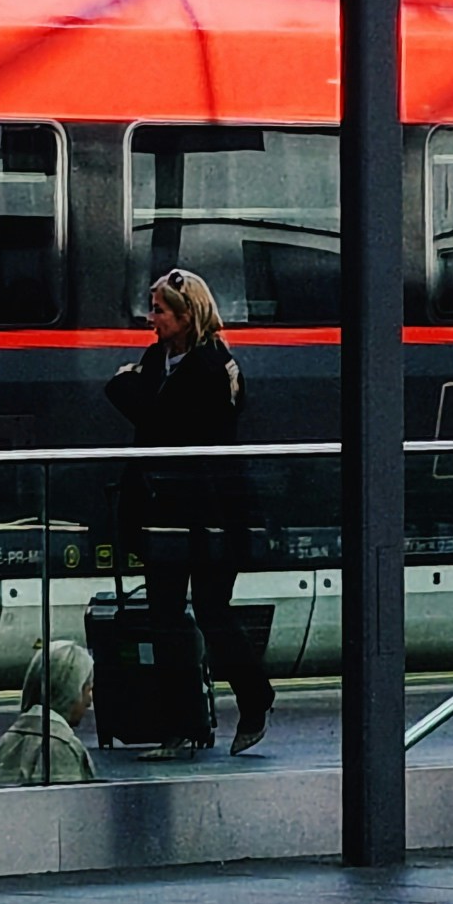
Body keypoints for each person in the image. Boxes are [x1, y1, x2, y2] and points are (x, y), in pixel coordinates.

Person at [103, 264, 271, 753]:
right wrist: (142, 397)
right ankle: (183, 725)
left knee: (213, 610)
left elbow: (166, 420)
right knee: (165, 617)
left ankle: (255, 697)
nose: (151, 319)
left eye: (159, 311)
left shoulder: (213, 366)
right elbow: (126, 394)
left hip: (213, 512)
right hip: (162, 512)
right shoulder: (158, 360)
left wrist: (141, 396)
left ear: (185, 315)